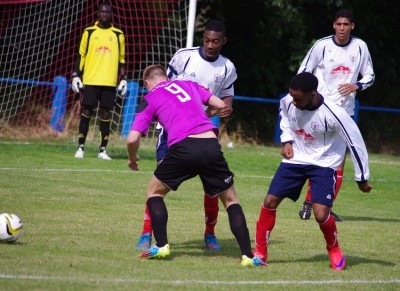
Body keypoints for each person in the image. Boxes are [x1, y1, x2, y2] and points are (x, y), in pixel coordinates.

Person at [127, 65, 265, 267]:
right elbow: (220, 105)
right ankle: (248, 256)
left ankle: (162, 246)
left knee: (154, 193)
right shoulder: (188, 85)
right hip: (210, 143)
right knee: (231, 201)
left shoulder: (149, 98)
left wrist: (132, 159)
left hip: (183, 147)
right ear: (165, 78)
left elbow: (132, 139)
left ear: (147, 84)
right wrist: (201, 116)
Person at [253, 72, 372, 270]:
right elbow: (285, 118)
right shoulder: (288, 101)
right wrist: (287, 141)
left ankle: (334, 249)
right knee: (269, 201)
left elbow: (355, 143)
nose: (294, 101)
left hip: (324, 163)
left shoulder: (335, 113)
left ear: (313, 93)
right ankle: (260, 253)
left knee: (320, 213)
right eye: (292, 96)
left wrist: (362, 179)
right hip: (296, 159)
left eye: (298, 98)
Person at [136, 20, 237, 251]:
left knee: (213, 186)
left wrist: (227, 107)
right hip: (173, 130)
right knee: (159, 181)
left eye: (215, 41)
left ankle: (210, 234)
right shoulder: (184, 56)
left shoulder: (227, 67)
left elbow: (228, 97)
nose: (210, 45)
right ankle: (146, 232)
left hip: (203, 131)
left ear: (223, 41)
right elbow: (166, 87)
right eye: (207, 40)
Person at [297, 8, 375, 221]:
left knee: (338, 161)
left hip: (344, 112)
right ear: (334, 25)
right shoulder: (321, 45)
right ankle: (308, 202)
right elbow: (303, 71)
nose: (342, 29)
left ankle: (323, 206)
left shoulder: (360, 47)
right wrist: (309, 97)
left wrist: (356, 85)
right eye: (339, 24)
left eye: (346, 25)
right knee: (317, 156)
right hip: (320, 110)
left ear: (352, 26)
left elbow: (370, 75)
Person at [71, 2, 127, 160]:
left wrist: (124, 79)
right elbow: (80, 55)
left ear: (111, 14)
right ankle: (80, 148)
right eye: (102, 12)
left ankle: (102, 150)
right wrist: (76, 74)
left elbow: (122, 59)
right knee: (86, 113)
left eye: (108, 12)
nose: (105, 15)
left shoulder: (118, 34)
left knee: (105, 114)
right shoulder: (89, 32)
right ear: (97, 13)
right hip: (90, 80)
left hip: (109, 82)